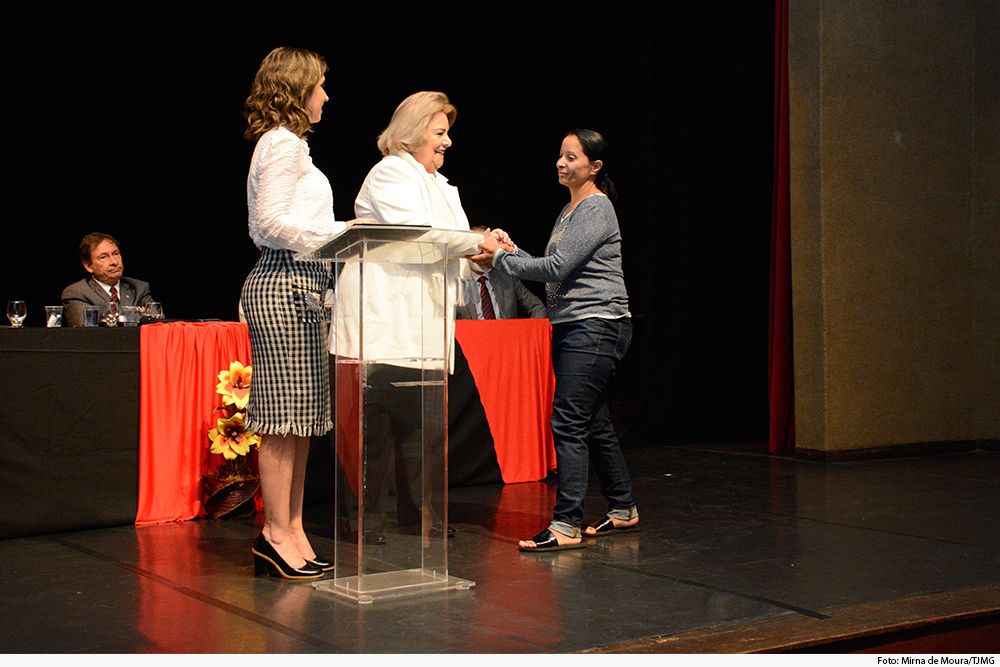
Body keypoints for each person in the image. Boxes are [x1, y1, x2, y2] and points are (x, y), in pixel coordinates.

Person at [240, 46, 374, 579]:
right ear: (297, 90)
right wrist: (341, 235)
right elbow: (268, 225)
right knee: (281, 418)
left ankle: (290, 528)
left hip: (307, 286)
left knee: (299, 421)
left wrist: (336, 240)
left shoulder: (294, 148)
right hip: (283, 282)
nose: (326, 94)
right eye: (319, 84)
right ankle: (274, 531)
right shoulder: (280, 145)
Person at [471, 129, 638, 552]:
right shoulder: (569, 210)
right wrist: (511, 249)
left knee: (567, 420)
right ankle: (623, 508)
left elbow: (558, 267)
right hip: (575, 325)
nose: (562, 163)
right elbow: (549, 264)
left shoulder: (596, 207)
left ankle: (565, 524)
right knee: (594, 420)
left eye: (572, 157)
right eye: (559, 156)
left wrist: (501, 258)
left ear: (594, 166)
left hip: (596, 323)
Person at [335, 91, 472, 540]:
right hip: (384, 320)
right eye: (439, 132)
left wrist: (485, 247)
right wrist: (478, 241)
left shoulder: (439, 183)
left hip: (422, 321)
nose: (448, 141)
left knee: (420, 430)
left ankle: (419, 514)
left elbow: (455, 241)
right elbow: (424, 236)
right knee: (374, 430)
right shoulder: (391, 172)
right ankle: (364, 520)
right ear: (413, 134)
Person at [62, 233, 154, 326]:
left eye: (116, 254)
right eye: (103, 257)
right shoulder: (77, 292)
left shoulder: (139, 288)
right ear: (88, 266)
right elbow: (85, 329)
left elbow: (156, 321)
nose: (114, 262)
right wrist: (138, 316)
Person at [457, 226, 547, 320]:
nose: (482, 252)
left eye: (485, 246)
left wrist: (531, 332)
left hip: (506, 333)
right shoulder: (454, 283)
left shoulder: (506, 276)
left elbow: (537, 307)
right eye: (477, 247)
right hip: (472, 333)